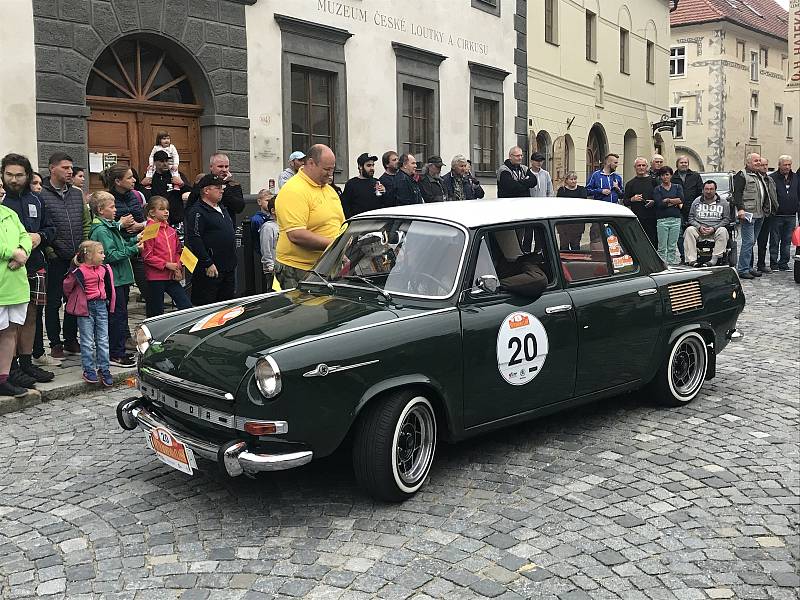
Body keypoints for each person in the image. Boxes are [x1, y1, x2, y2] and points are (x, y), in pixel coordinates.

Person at [1, 153, 56, 388]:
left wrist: (39, 236)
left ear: (27, 175)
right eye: (9, 175)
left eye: (19, 175)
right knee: (7, 323)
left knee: (31, 315)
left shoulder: (36, 200)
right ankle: (9, 368)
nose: (14, 180)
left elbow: (50, 228)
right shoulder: (3, 202)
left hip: (35, 264)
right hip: (9, 270)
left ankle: (26, 362)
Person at [38, 152, 88, 359]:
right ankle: (55, 342)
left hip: (76, 257)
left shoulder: (77, 193)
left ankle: (70, 339)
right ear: (52, 168)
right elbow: (41, 226)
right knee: (53, 302)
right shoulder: (41, 195)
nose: (70, 171)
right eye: (65, 168)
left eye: (71, 168)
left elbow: (85, 222)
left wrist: (83, 247)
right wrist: (50, 252)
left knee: (74, 299)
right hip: (55, 257)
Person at [274, 144, 344, 288]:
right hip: (299, 270)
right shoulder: (294, 190)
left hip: (326, 267)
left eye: (333, 169)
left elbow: (341, 225)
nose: (331, 174)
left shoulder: (329, 190)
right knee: (305, 311)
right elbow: (296, 235)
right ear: (311, 163)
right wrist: (336, 245)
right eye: (326, 169)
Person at [88, 191, 140, 367]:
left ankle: (118, 350)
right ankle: (116, 353)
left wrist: (135, 241)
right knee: (116, 317)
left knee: (121, 315)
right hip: (114, 278)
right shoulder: (102, 230)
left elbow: (120, 245)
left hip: (121, 278)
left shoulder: (109, 226)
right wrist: (134, 250)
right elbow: (110, 255)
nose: (116, 210)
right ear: (101, 210)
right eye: (112, 207)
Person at [63, 240, 116, 386]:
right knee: (87, 341)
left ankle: (104, 368)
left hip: (101, 306)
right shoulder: (79, 272)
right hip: (86, 307)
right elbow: (67, 287)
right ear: (89, 255)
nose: (104, 256)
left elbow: (109, 287)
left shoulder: (104, 269)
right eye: (100, 253)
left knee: (103, 339)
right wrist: (76, 299)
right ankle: (88, 369)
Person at [184, 174, 237, 305]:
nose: (222, 190)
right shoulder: (198, 211)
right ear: (206, 190)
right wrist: (207, 262)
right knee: (208, 304)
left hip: (228, 266)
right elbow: (195, 238)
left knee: (227, 305)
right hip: (210, 267)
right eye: (217, 187)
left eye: (222, 187)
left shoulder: (222, 208)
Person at [0, 194, 33, 398]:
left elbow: (25, 236)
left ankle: (3, 378)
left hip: (16, 284)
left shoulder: (10, 213)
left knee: (10, 331)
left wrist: (22, 251)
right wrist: (11, 253)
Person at [141, 196, 191, 317]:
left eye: (167, 209)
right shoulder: (150, 230)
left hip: (171, 276)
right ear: (152, 212)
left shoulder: (171, 231)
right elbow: (147, 255)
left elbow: (178, 251)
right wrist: (166, 265)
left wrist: (178, 267)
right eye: (162, 209)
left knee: (186, 305)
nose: (166, 212)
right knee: (156, 311)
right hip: (155, 277)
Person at [732, 153, 775, 280]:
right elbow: (737, 193)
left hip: (760, 214)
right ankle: (743, 269)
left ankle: (749, 267)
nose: (758, 163)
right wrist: (740, 209)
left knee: (752, 242)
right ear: (748, 162)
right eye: (755, 161)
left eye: (759, 161)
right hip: (748, 214)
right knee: (748, 242)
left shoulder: (758, 175)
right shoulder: (742, 175)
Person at [186, 153, 245, 226]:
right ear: (211, 167)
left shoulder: (233, 185)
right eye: (220, 166)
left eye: (226, 166)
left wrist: (224, 187)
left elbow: (239, 208)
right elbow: (190, 205)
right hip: (206, 226)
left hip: (226, 226)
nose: (224, 170)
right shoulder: (203, 182)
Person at [683, 180, 731, 267]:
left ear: (715, 190)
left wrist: (714, 228)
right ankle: (692, 260)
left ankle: (714, 259)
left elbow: (726, 219)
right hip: (700, 230)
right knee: (689, 230)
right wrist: (699, 227)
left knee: (723, 230)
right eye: (706, 189)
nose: (709, 191)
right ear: (703, 190)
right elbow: (691, 218)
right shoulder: (696, 201)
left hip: (715, 230)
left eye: (711, 189)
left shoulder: (723, 203)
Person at [769, 156, 799, 271]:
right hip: (777, 215)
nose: (787, 167)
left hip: (791, 215)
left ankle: (784, 263)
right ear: (779, 165)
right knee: (774, 240)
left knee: (787, 241)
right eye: (785, 164)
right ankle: (773, 263)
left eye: (789, 165)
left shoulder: (795, 177)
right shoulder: (772, 178)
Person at [673, 156, 704, 263]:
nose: (684, 164)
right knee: (680, 234)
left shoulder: (695, 176)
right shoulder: (673, 177)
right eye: (681, 162)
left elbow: (701, 192)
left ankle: (694, 255)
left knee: (693, 232)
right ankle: (684, 256)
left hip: (694, 209)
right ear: (677, 164)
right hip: (678, 210)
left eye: (686, 162)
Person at [623, 157, 658, 246]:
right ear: (635, 167)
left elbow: (660, 198)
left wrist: (654, 201)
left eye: (643, 165)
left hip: (652, 218)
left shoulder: (654, 181)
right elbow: (625, 201)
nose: (641, 167)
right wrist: (632, 199)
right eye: (639, 165)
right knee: (638, 243)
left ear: (647, 167)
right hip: (637, 219)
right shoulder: (630, 184)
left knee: (653, 243)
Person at [653, 166, 684, 265]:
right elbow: (659, 204)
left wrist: (668, 200)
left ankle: (671, 264)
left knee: (672, 245)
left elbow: (681, 199)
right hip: (662, 220)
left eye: (667, 174)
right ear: (660, 177)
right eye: (663, 175)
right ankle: (662, 264)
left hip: (675, 219)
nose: (665, 177)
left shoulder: (677, 187)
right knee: (662, 246)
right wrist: (674, 201)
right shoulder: (657, 189)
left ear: (671, 175)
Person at [341, 153, 386, 217]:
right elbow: (345, 207)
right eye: (368, 165)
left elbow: (384, 205)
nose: (372, 168)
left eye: (373, 165)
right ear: (360, 166)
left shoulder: (377, 182)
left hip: (376, 222)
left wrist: (384, 192)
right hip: (359, 223)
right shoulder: (351, 184)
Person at [754, 157, 778, 273]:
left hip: (767, 214)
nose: (764, 167)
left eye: (766, 165)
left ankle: (761, 264)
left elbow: (773, 195)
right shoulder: (755, 179)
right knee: (751, 241)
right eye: (762, 165)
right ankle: (748, 265)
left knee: (763, 241)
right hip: (756, 214)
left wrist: (774, 208)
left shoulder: (770, 179)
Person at [555, 172, 587, 251]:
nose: (573, 181)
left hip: (577, 222)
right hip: (564, 222)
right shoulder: (562, 190)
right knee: (564, 245)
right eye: (571, 179)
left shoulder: (581, 189)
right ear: (566, 180)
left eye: (575, 179)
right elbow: (560, 205)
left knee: (575, 245)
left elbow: (583, 203)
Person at [258, 195, 279, 291]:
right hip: (273, 269)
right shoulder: (268, 227)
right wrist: (270, 266)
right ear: (273, 210)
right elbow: (266, 248)